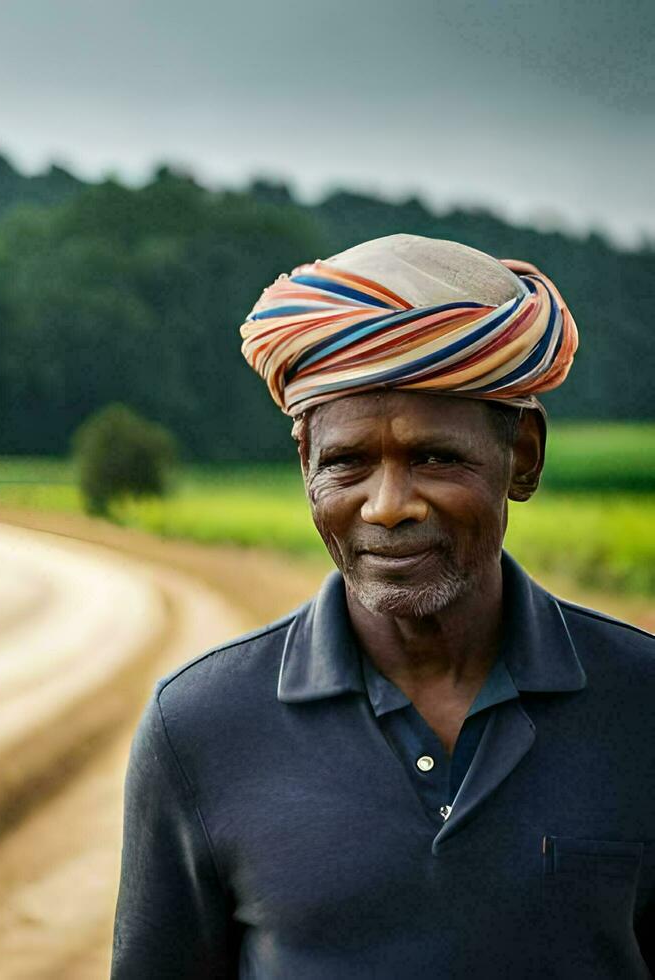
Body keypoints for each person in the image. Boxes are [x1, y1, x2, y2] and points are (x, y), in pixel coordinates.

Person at [111, 233, 655, 977]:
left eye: (435, 457)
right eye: (348, 463)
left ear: (521, 456)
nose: (388, 506)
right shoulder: (199, 727)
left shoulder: (643, 705)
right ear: (306, 464)